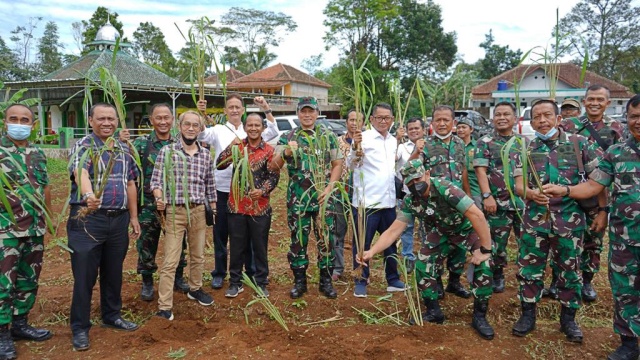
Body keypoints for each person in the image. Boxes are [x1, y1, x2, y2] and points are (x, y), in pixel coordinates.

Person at [543, 94, 640, 360]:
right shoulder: (617, 152)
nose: (638, 122)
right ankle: (629, 343)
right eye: (634, 116)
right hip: (626, 239)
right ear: (627, 118)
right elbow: (593, 186)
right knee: (625, 292)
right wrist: (565, 189)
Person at [359, 159, 494, 340]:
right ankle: (434, 311)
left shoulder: (446, 189)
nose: (416, 184)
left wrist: (485, 249)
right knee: (422, 264)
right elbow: (393, 231)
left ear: (427, 174)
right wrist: (371, 251)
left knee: (483, 267)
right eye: (410, 182)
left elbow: (476, 215)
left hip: (465, 229)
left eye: (418, 179)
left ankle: (480, 316)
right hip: (441, 232)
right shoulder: (411, 201)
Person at [511, 99, 602, 343]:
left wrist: (568, 191)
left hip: (569, 223)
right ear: (531, 123)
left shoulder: (579, 144)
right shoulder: (525, 149)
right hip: (535, 222)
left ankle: (568, 319)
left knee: (570, 272)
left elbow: (598, 182)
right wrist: (530, 194)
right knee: (529, 270)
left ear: (558, 119)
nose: (542, 121)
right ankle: (528, 315)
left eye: (547, 115)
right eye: (537, 117)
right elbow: (519, 184)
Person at [67, 103, 141, 351]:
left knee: (114, 272)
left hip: (118, 220)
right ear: (90, 120)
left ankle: (112, 315)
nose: (107, 123)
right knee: (85, 275)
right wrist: (89, 195)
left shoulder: (123, 148)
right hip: (88, 219)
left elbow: (130, 183)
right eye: (101, 119)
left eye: (111, 118)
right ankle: (79, 327)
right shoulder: (84, 146)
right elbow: (81, 173)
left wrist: (133, 217)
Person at [197, 94, 279, 290]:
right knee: (224, 236)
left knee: (251, 240)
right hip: (224, 192)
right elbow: (202, 138)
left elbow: (274, 134)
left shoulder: (256, 137)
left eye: (237, 107)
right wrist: (201, 114)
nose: (234, 110)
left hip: (252, 198)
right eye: (230, 107)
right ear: (225, 110)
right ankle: (221, 274)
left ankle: (252, 275)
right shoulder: (220, 131)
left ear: (243, 110)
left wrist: (265, 107)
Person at [269, 96, 343, 299]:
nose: (307, 115)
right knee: (298, 240)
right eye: (303, 111)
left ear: (317, 113)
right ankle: (299, 282)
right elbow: (273, 167)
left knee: (326, 240)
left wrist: (329, 187)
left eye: (311, 111)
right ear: (298, 113)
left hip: (323, 199)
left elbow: (337, 164)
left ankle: (325, 282)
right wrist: (285, 153)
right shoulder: (288, 136)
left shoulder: (327, 136)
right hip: (298, 199)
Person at [558, 86, 624, 302]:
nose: (595, 103)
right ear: (584, 101)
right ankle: (560, 279)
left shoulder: (615, 128)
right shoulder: (569, 125)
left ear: (608, 102)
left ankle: (586, 280)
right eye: (591, 99)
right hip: (571, 190)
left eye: (600, 99)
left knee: (594, 237)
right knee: (564, 236)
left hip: (600, 191)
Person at [150, 111, 216, 321]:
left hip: (197, 211)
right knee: (171, 259)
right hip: (175, 212)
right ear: (179, 127)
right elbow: (156, 181)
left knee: (198, 255)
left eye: (195, 125)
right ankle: (164, 305)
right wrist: (159, 197)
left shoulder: (205, 154)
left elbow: (210, 186)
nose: (190, 128)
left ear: (200, 129)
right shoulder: (167, 152)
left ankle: (195, 288)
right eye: (187, 124)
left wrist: (213, 210)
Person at [0, 104, 52, 359]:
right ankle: (2, 333)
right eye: (13, 119)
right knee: (3, 283)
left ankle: (21, 325)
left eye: (24, 120)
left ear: (32, 125)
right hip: (5, 230)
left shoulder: (38, 153)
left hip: (34, 228)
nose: (18, 123)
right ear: (5, 122)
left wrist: (49, 220)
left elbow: (45, 188)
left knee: (28, 279)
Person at [123, 104, 189, 301]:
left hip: (175, 205)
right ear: (151, 120)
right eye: (158, 118)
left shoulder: (181, 143)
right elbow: (130, 176)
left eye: (166, 117)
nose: (163, 122)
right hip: (149, 205)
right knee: (146, 244)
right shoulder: (141, 144)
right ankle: (147, 280)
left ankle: (178, 276)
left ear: (173, 120)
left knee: (178, 242)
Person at [410, 105, 471, 299]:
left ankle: (454, 281)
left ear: (453, 123)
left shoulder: (460, 144)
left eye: (446, 120)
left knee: (459, 247)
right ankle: (435, 283)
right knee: (433, 248)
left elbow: (463, 174)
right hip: (434, 209)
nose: (442, 123)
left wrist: (468, 199)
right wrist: (415, 152)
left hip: (458, 206)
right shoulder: (424, 145)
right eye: (438, 120)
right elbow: (411, 172)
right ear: (432, 123)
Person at [217, 113, 280, 298]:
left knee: (260, 247)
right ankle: (235, 282)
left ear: (263, 128)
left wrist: (262, 191)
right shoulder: (238, 147)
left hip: (260, 208)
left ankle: (261, 282)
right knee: (236, 246)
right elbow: (219, 164)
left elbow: (274, 176)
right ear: (244, 127)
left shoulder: (269, 150)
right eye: (250, 125)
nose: (253, 128)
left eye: (257, 125)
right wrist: (231, 147)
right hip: (236, 206)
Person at [348, 103, 406, 298]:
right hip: (367, 203)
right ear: (372, 119)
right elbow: (351, 164)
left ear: (392, 119)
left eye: (387, 118)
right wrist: (356, 151)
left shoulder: (392, 141)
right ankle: (361, 280)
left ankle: (393, 279)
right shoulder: (362, 138)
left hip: (388, 202)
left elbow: (396, 166)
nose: (383, 121)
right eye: (379, 117)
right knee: (362, 243)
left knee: (390, 242)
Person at [473, 102, 525, 293]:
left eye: (506, 114)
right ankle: (497, 275)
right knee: (497, 244)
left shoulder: (523, 142)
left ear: (515, 118)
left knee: (527, 243)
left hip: (522, 204)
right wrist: (487, 196)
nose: (502, 118)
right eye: (498, 114)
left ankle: (527, 277)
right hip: (497, 203)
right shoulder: (485, 142)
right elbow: (480, 170)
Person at [395, 117, 426, 274]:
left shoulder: (430, 146)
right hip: (406, 195)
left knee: (426, 228)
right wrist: (396, 139)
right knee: (406, 228)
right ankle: (408, 258)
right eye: (411, 128)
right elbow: (393, 160)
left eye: (417, 128)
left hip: (426, 196)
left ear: (423, 130)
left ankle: (426, 258)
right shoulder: (401, 147)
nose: (414, 131)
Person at [332, 109, 359, 281]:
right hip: (340, 191)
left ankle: (360, 268)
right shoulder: (337, 142)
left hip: (361, 193)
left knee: (360, 231)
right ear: (346, 122)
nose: (354, 123)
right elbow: (332, 165)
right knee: (338, 230)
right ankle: (337, 267)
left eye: (358, 120)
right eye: (351, 119)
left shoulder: (368, 141)